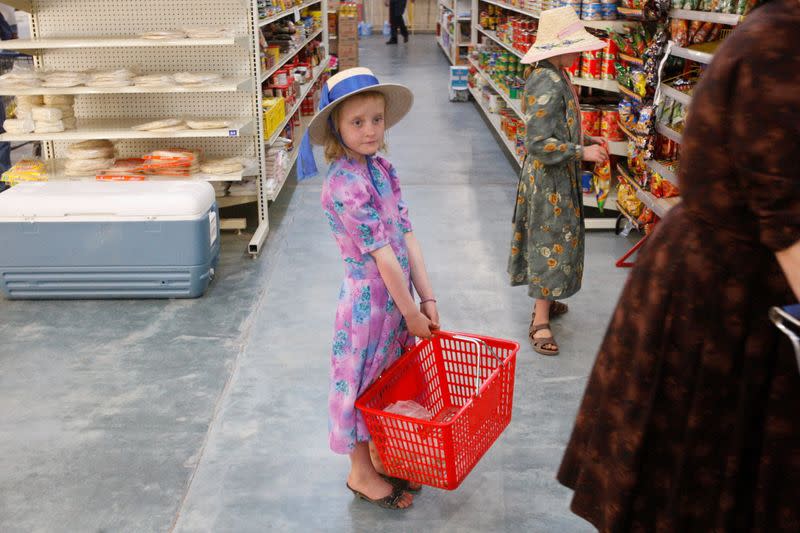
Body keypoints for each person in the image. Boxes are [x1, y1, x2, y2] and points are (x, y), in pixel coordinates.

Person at [557, 0, 800, 530]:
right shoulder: (779, 45)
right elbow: (786, 216)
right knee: (696, 488)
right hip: (721, 304)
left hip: (730, 292)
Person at [303, 67, 440, 510]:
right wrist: (412, 312)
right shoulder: (344, 182)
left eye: (376, 119)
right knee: (359, 383)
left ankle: (383, 456)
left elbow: (407, 234)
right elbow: (381, 255)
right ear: (336, 129)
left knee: (389, 380)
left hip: (398, 301)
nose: (369, 130)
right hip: (367, 306)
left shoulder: (382, 167)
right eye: (356, 122)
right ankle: (359, 472)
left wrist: (427, 299)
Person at [507, 7, 609, 356]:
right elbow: (537, 142)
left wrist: (587, 141)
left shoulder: (558, 76)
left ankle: (548, 301)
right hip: (548, 181)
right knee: (548, 243)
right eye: (576, 45)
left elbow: (556, 127)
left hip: (557, 177)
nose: (580, 53)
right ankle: (539, 319)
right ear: (558, 47)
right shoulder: (545, 80)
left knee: (558, 239)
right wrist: (581, 153)